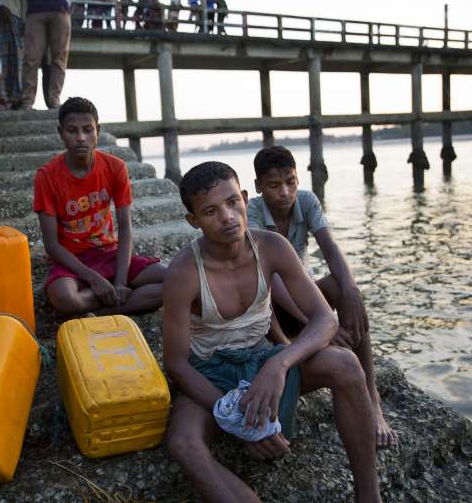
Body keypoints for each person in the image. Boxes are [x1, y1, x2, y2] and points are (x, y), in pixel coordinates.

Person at [163, 161, 382, 503]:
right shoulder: (183, 272)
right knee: (183, 444)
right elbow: (177, 364)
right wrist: (233, 415)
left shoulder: (272, 247)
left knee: (346, 364)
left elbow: (325, 320)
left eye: (233, 202)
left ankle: (369, 497)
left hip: (262, 356)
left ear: (246, 198)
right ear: (193, 221)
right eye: (210, 211)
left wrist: (278, 366)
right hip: (210, 371)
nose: (227, 217)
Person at [247, 146, 398, 448]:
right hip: (270, 307)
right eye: (274, 186)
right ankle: (317, 334)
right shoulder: (251, 212)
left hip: (302, 297)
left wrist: (352, 290)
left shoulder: (307, 201)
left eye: (291, 182)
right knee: (281, 295)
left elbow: (330, 248)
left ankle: (373, 398)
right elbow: (272, 280)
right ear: (259, 187)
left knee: (345, 292)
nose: (285, 192)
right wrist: (319, 322)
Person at [33, 97, 167, 316]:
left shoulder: (115, 167)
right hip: (72, 261)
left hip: (108, 254)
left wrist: (121, 282)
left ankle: (100, 311)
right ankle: (119, 301)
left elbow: (125, 229)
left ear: (98, 131)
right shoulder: (47, 177)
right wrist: (93, 278)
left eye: (88, 130)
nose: (81, 138)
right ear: (61, 132)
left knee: (174, 278)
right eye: (72, 131)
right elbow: (52, 245)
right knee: (64, 298)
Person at [9, 0, 79, 110]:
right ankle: (27, 100)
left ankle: (54, 99)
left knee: (59, 57)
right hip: (34, 13)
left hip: (60, 11)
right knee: (31, 57)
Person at [0, 0, 24, 107]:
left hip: (15, 13)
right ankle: (2, 98)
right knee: (1, 58)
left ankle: (12, 98)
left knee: (14, 61)